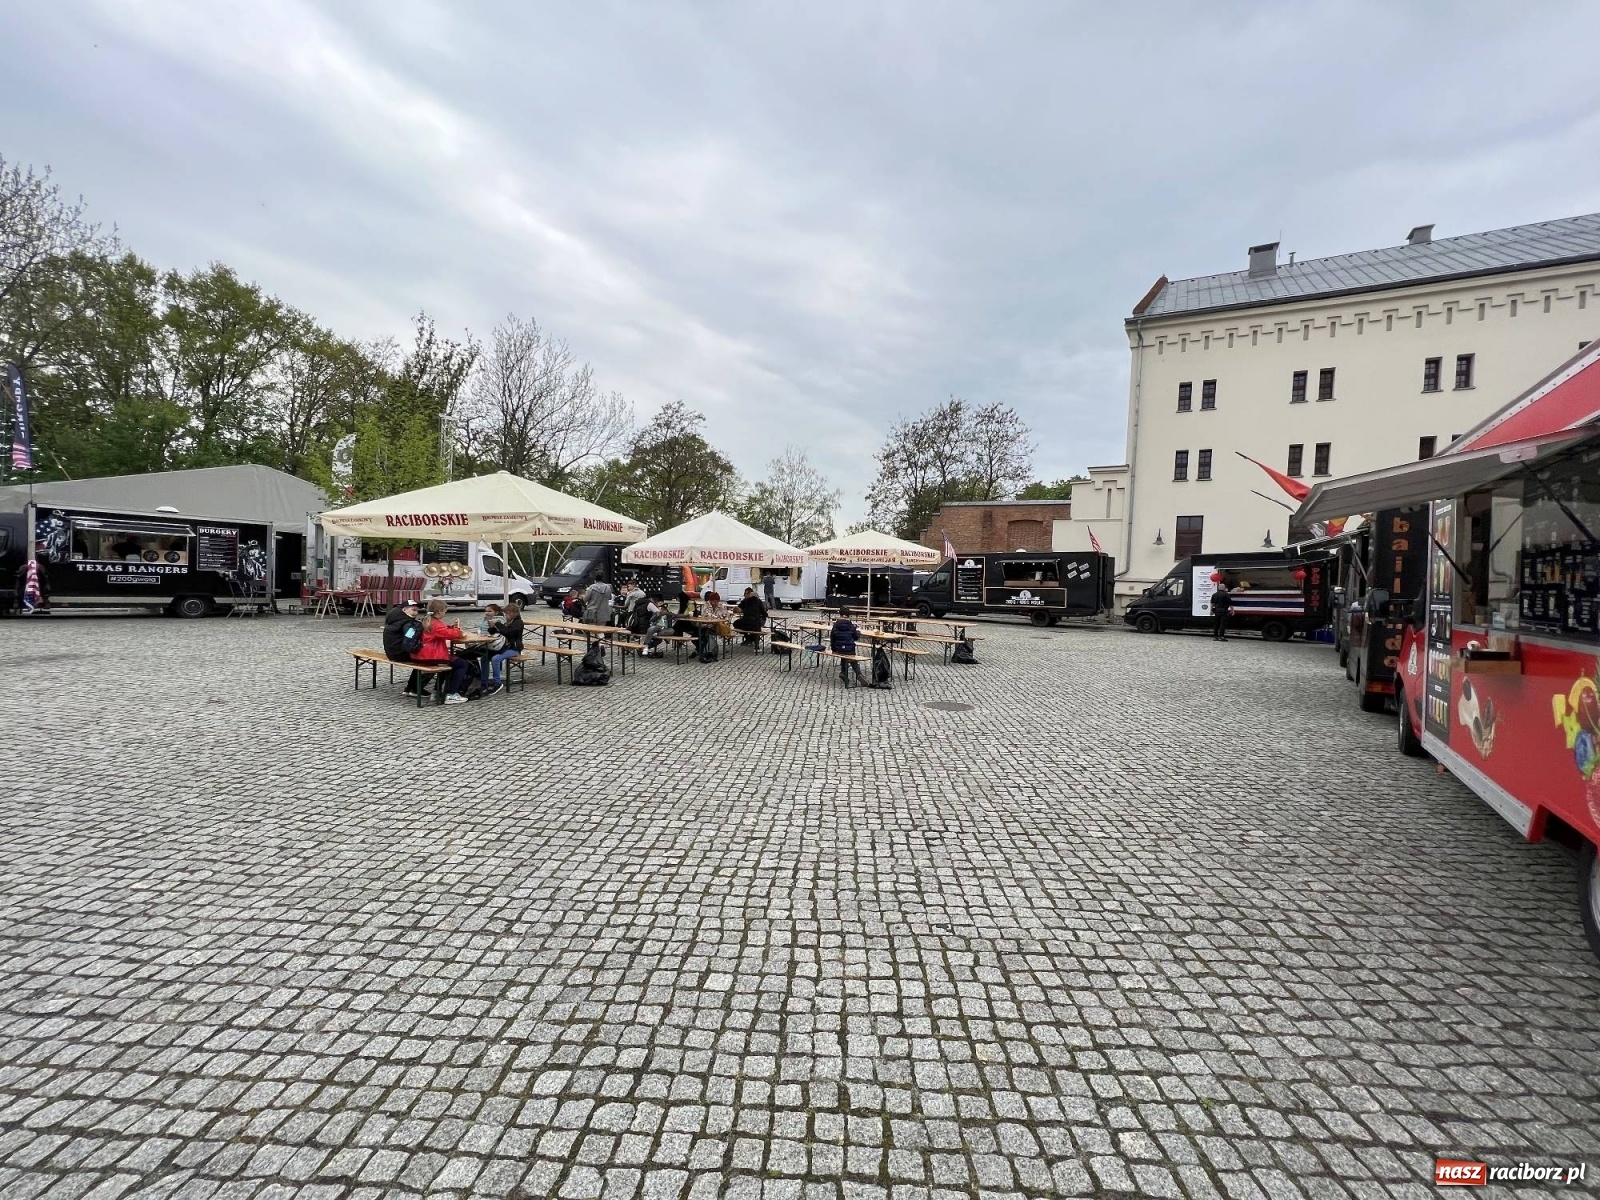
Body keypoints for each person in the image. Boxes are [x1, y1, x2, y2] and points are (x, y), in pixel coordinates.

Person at [416, 598, 475, 703]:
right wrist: (457, 628)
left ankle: (437, 691)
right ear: (439, 611)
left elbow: (444, 631)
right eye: (445, 611)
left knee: (448, 664)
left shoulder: (427, 620)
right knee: (462, 664)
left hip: (422, 655)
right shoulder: (436, 624)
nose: (445, 613)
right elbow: (453, 635)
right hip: (432, 656)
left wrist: (451, 627)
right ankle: (452, 694)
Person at [483, 601, 524, 696]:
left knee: (495, 659)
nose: (506, 616)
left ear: (514, 613)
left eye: (507, 614)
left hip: (514, 649)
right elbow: (497, 632)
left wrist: (497, 624)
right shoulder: (508, 622)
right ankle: (483, 681)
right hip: (503, 647)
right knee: (485, 656)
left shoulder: (518, 623)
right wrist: (491, 627)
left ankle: (497, 683)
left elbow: (508, 632)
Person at [830, 608, 869, 686]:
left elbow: (832, 638)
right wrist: (858, 632)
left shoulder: (836, 625)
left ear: (840, 615)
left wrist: (834, 649)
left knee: (843, 653)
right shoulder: (850, 625)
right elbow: (855, 638)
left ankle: (843, 672)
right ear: (849, 615)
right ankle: (858, 674)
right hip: (849, 649)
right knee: (851, 656)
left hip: (839, 648)